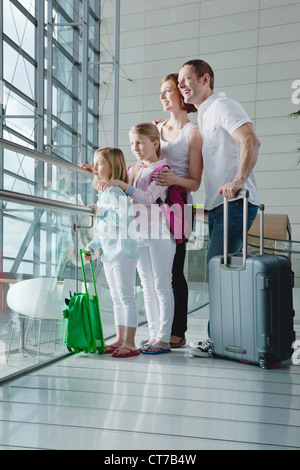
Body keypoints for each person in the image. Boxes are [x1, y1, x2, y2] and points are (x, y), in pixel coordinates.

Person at [178, 59, 260, 356]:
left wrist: (239, 180)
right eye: (179, 82)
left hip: (235, 203)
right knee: (224, 272)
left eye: (187, 79)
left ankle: (220, 340)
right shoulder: (203, 116)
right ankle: (230, 338)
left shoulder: (224, 107)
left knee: (219, 270)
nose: (181, 85)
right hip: (218, 208)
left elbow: (250, 140)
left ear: (206, 79)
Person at [100, 123, 176, 354]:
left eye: (140, 143)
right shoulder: (135, 170)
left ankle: (163, 338)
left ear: (154, 144)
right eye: (132, 143)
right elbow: (114, 177)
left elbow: (148, 196)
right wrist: (94, 170)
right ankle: (154, 335)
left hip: (159, 232)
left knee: (162, 285)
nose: (136, 148)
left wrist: (122, 185)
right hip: (139, 233)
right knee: (147, 286)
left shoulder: (162, 170)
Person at [152, 73, 203, 348]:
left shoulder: (192, 134)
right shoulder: (155, 129)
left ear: (181, 97)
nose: (162, 96)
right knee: (153, 271)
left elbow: (195, 182)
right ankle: (158, 326)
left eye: (167, 91)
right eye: (161, 91)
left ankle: (178, 331)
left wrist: (173, 179)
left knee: (173, 271)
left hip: (179, 206)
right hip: (151, 205)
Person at [83, 147, 140, 358]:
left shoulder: (115, 192)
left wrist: (100, 211)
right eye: (95, 163)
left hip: (123, 251)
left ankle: (131, 342)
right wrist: (92, 246)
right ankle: (119, 338)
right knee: (117, 298)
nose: (95, 168)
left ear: (113, 167)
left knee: (125, 297)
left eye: (99, 164)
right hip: (110, 251)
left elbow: (125, 221)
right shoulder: (104, 194)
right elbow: (104, 229)